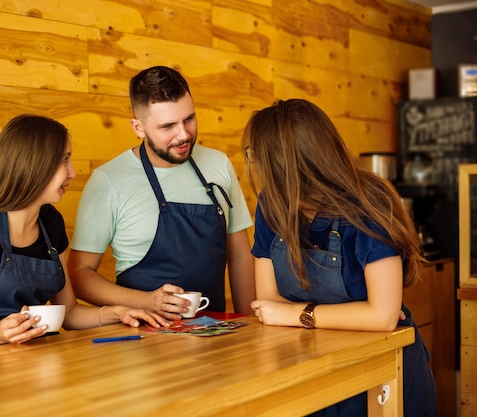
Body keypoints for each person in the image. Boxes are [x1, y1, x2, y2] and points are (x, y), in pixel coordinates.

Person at [243, 99, 437, 416]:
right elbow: (267, 301)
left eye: (256, 156)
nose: (255, 165)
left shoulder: (368, 204)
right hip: (310, 367)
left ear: (285, 163)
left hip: (382, 371)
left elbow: (383, 317)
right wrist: (344, 315)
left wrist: (298, 315)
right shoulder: (271, 204)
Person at [0, 115, 168, 355]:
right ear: (34, 163)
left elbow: (69, 314)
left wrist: (117, 312)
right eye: (64, 160)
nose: (72, 172)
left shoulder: (51, 223)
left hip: (41, 364)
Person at [68, 66, 255, 320]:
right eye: (168, 126)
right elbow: (79, 274)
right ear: (138, 127)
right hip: (140, 343)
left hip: (213, 335)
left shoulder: (218, 164)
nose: (184, 134)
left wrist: (249, 323)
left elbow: (240, 255)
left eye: (189, 119)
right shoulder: (109, 181)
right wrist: (146, 301)